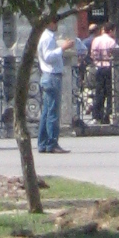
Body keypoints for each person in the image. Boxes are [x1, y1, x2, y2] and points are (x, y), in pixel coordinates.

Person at [36, 18, 76, 154]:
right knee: (53, 112)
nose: (56, 24)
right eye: (54, 22)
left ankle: (42, 143)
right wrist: (62, 48)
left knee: (47, 112)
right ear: (48, 23)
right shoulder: (47, 38)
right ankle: (52, 143)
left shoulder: (48, 37)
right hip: (51, 75)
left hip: (49, 76)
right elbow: (48, 56)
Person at [90, 21, 118, 121]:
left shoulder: (96, 40)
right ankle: (108, 114)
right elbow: (116, 56)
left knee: (99, 92)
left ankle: (97, 115)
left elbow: (93, 55)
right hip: (109, 68)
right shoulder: (112, 42)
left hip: (99, 67)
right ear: (111, 31)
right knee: (110, 93)